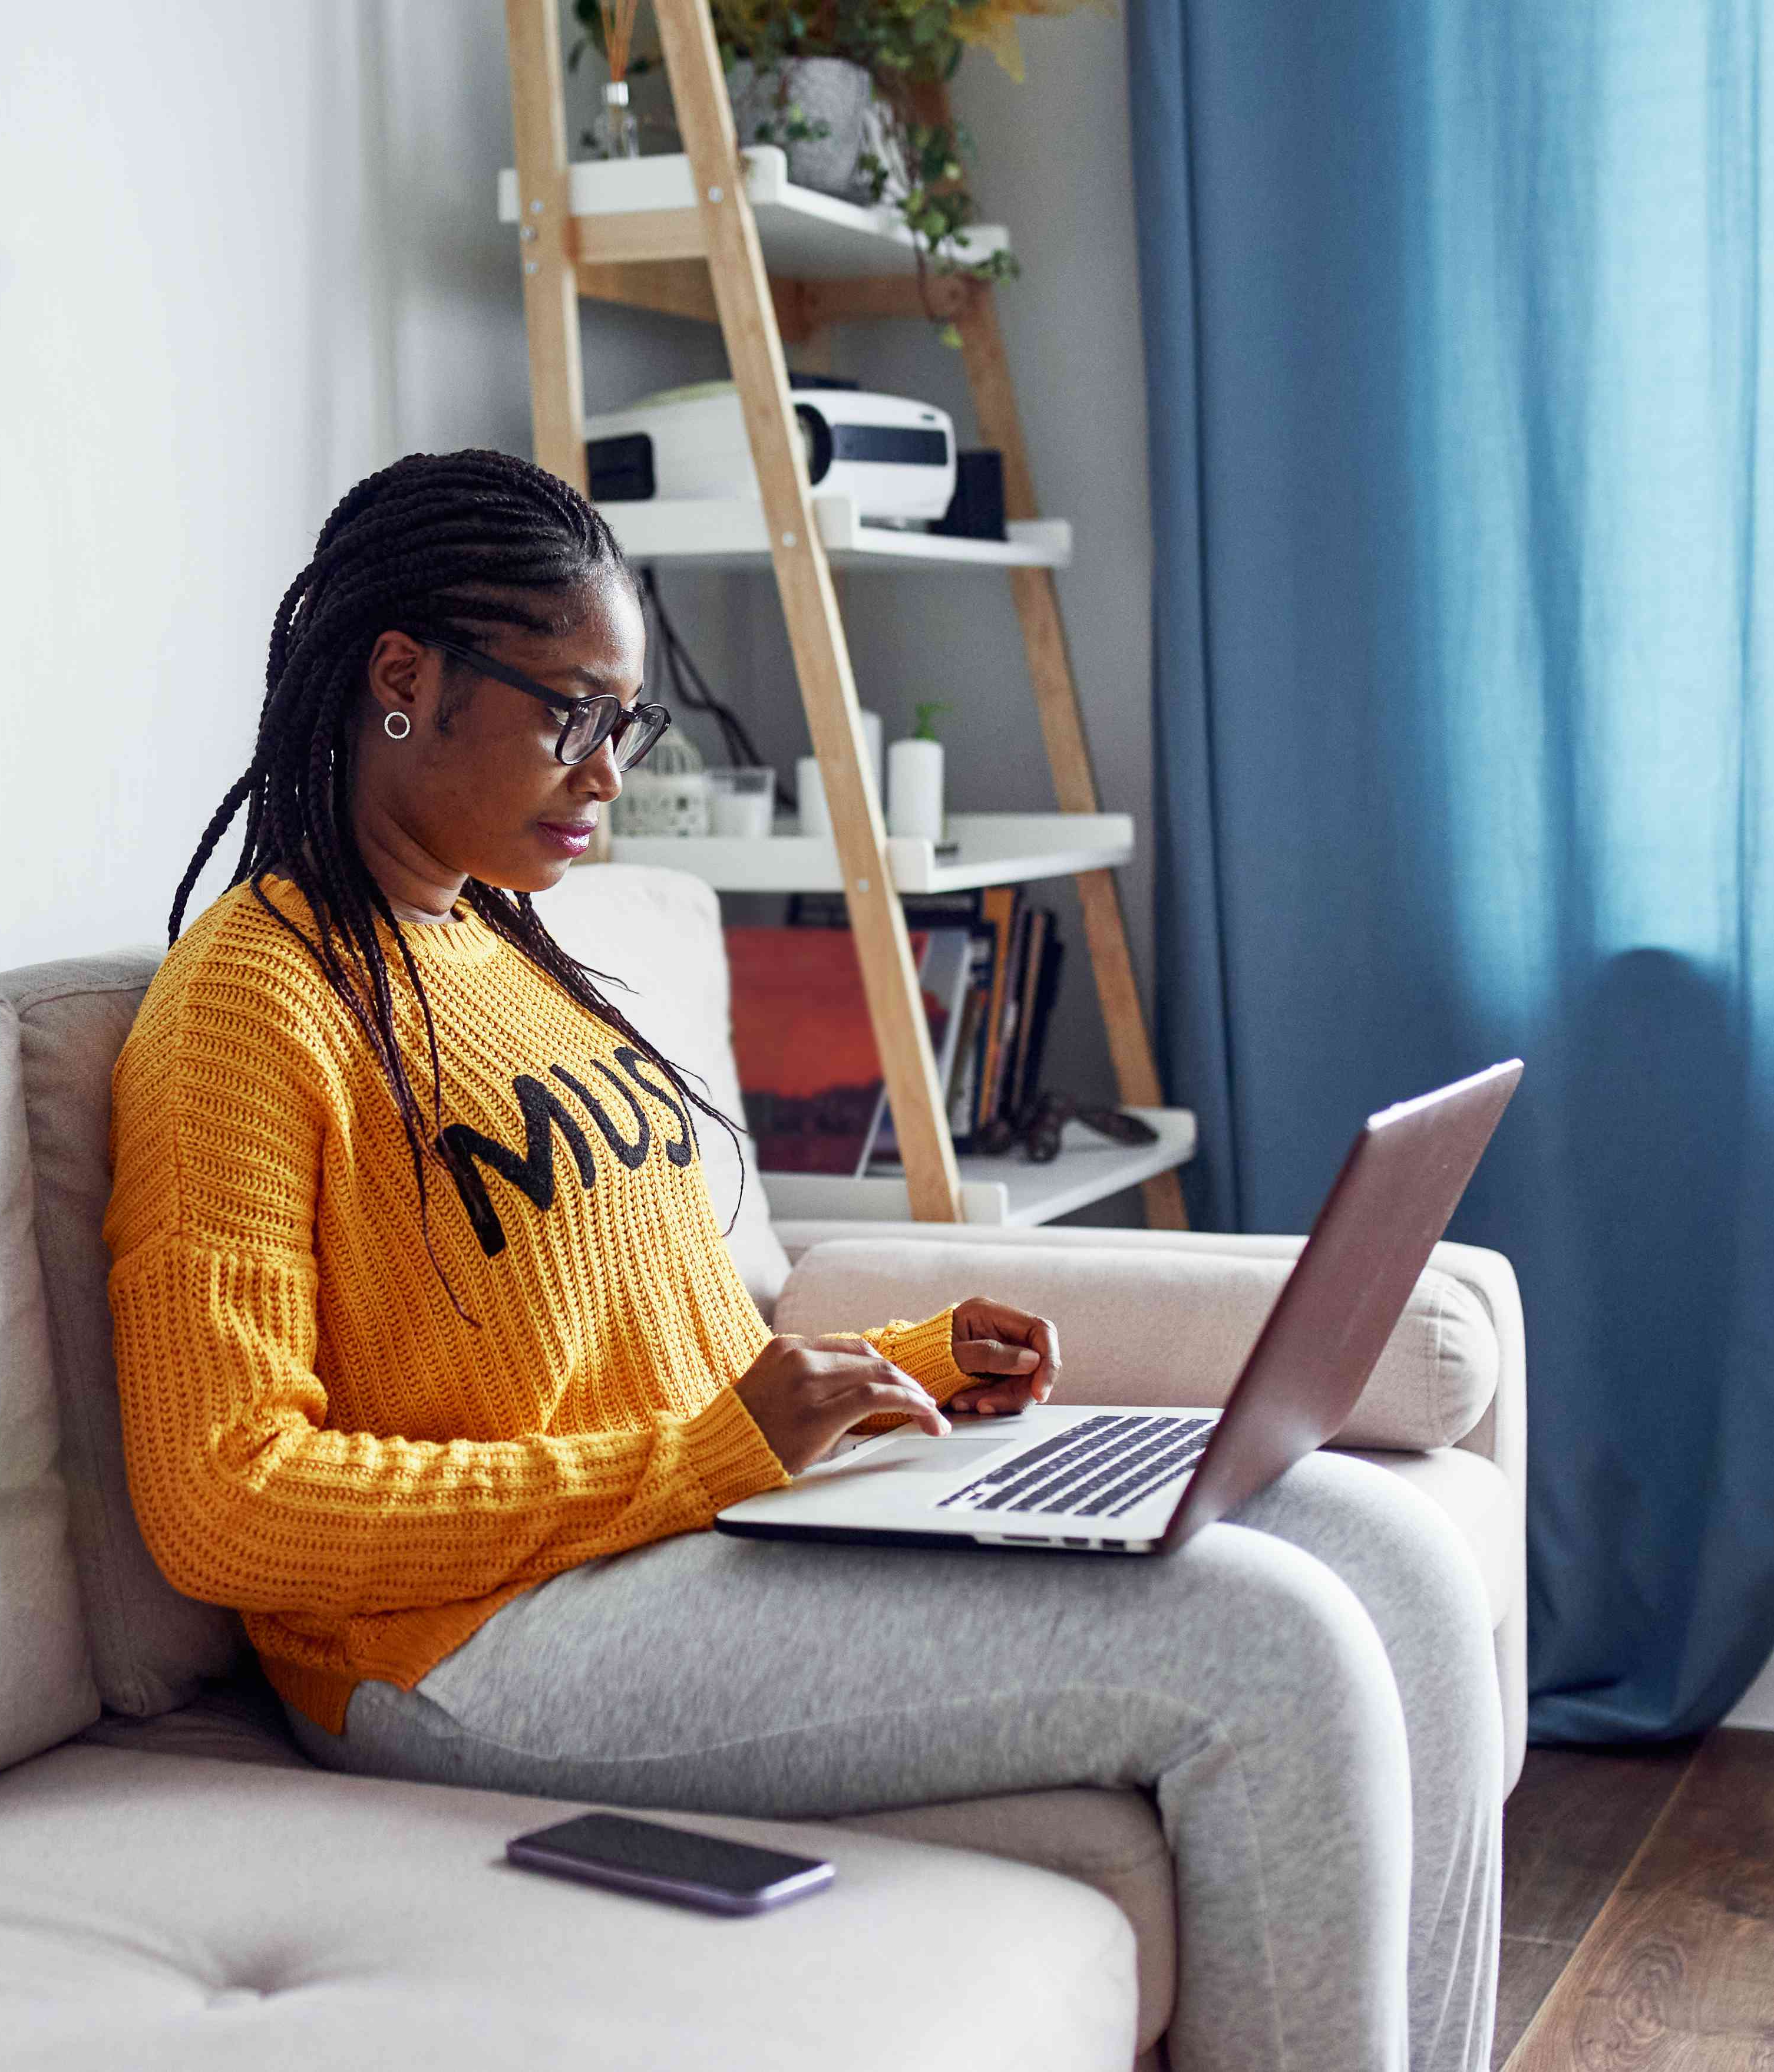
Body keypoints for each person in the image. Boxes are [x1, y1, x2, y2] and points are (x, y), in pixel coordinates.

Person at [100, 448, 1500, 2072]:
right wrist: (700, 1457)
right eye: (569, 711)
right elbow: (221, 1497)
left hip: (689, 1528)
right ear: (400, 679)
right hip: (466, 1637)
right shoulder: (246, 1010)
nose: (605, 776)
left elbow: (661, 1347)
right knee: (1273, 1643)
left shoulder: (510, 943)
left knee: (1389, 1552)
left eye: (623, 724)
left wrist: (896, 1371)